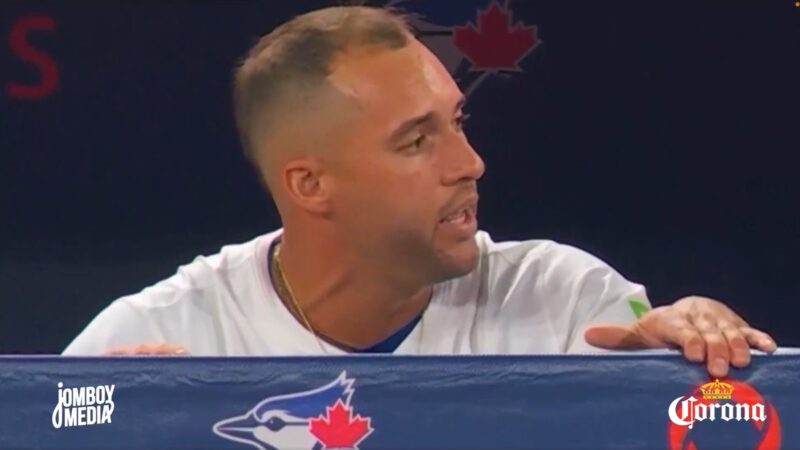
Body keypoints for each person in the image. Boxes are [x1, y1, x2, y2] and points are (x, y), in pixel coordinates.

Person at [62, 6, 776, 378]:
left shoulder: (566, 308)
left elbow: (700, 409)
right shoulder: (159, 347)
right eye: (416, 140)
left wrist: (682, 369)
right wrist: (110, 428)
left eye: (457, 122)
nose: (470, 163)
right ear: (309, 184)